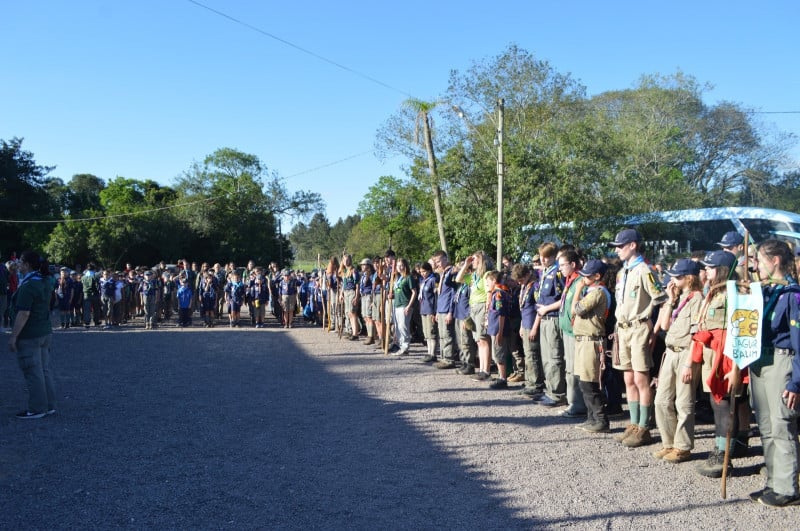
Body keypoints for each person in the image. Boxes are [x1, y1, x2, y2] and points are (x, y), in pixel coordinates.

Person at [748, 239, 800, 507]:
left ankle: (788, 488)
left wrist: (796, 382)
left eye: (759, 260)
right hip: (761, 362)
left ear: (775, 261)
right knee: (766, 427)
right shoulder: (765, 293)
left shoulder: (792, 294)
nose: (755, 265)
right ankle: (773, 481)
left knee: (782, 425)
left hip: (782, 362)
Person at [609, 228, 666, 448]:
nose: (618, 251)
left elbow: (661, 298)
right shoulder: (623, 272)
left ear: (633, 245)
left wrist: (654, 328)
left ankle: (644, 427)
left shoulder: (644, 270)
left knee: (642, 379)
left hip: (638, 328)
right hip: (623, 329)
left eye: (621, 247)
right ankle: (633, 423)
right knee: (628, 379)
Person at [693, 250, 746, 478]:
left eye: (711, 267)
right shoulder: (714, 293)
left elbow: (739, 331)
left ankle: (725, 456)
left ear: (723, 270)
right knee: (717, 405)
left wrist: (734, 366)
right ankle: (719, 449)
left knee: (725, 405)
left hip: (726, 357)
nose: (706, 271)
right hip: (712, 355)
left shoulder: (735, 295)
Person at [652, 259, 704, 463]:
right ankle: (669, 442)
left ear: (688, 278)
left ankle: (683, 446)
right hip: (671, 351)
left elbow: (695, 334)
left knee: (684, 402)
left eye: (677, 276)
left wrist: (690, 364)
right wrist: (670, 300)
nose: (673, 279)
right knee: (661, 400)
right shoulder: (679, 297)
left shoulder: (697, 299)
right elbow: (665, 325)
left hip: (685, 353)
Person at [8, 251, 56, 419]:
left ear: (27, 265)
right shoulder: (45, 281)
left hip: (30, 334)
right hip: (44, 331)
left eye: (20, 262)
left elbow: (24, 313)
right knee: (44, 370)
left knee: (33, 371)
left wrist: (13, 336)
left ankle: (37, 408)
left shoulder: (29, 285)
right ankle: (49, 405)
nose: (18, 265)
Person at [571, 259, 612, 433]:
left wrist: (578, 290)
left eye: (587, 276)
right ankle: (591, 418)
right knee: (583, 382)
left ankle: (601, 419)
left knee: (590, 383)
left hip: (592, 341)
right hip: (583, 340)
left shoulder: (598, 292)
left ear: (597, 276)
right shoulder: (591, 291)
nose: (583, 279)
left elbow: (576, 310)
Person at [533, 242, 566, 407]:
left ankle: (558, 393)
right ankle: (550, 389)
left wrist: (546, 308)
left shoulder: (558, 273)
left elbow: (563, 298)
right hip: (544, 318)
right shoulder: (544, 273)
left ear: (554, 257)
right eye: (541, 256)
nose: (543, 260)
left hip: (553, 317)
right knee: (546, 357)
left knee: (554, 357)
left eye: (547, 257)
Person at [558, 249, 587, 418]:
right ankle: (572, 403)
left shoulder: (580, 282)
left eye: (563, 265)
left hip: (575, 331)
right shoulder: (570, 281)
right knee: (569, 368)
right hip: (567, 330)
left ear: (573, 265)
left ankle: (578, 404)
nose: (560, 268)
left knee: (575, 369)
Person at [455, 251, 491, 381]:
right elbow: (458, 279)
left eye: (474, 259)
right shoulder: (474, 275)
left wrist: (487, 312)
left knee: (483, 339)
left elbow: (489, 294)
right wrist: (466, 265)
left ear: (481, 261)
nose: (472, 261)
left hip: (481, 306)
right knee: (478, 340)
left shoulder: (486, 275)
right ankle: (481, 369)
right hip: (473, 307)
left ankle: (486, 370)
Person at [513, 263, 545, 398]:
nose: (519, 282)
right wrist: (521, 325)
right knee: (528, 355)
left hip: (533, 325)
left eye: (521, 279)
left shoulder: (535, 287)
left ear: (527, 275)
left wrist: (535, 327)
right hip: (525, 324)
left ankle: (536, 384)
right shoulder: (524, 287)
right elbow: (523, 308)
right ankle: (530, 381)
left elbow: (538, 309)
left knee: (533, 356)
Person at [484, 270, 512, 389]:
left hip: (497, 329)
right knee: (497, 353)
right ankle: (501, 376)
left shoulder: (499, 294)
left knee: (499, 353)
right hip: (493, 327)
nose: (487, 284)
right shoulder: (495, 293)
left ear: (494, 281)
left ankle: (503, 378)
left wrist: (500, 333)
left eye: (488, 282)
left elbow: (501, 315)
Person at [432, 250, 459, 370]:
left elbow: (453, 294)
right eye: (435, 262)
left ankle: (449, 359)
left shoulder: (451, 273)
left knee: (448, 335)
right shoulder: (442, 274)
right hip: (441, 309)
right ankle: (443, 357)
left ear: (445, 259)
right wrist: (437, 311)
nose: (437, 264)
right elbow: (440, 294)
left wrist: (450, 312)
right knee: (442, 335)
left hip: (448, 309)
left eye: (438, 261)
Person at [390, 258, 417, 356]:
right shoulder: (397, 278)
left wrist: (409, 306)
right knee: (397, 327)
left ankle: (405, 347)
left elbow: (414, 292)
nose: (399, 267)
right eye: (398, 266)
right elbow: (397, 291)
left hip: (405, 305)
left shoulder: (408, 277)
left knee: (403, 327)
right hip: (396, 304)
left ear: (405, 266)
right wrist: (391, 295)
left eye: (401, 265)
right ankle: (401, 346)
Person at [418, 262, 439, 363]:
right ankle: (429, 352)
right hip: (424, 309)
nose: (423, 273)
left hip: (430, 309)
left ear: (429, 270)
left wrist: (434, 311)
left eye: (424, 271)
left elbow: (435, 297)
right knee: (426, 333)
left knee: (432, 332)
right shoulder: (423, 281)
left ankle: (433, 353)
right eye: (421, 272)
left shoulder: (432, 280)